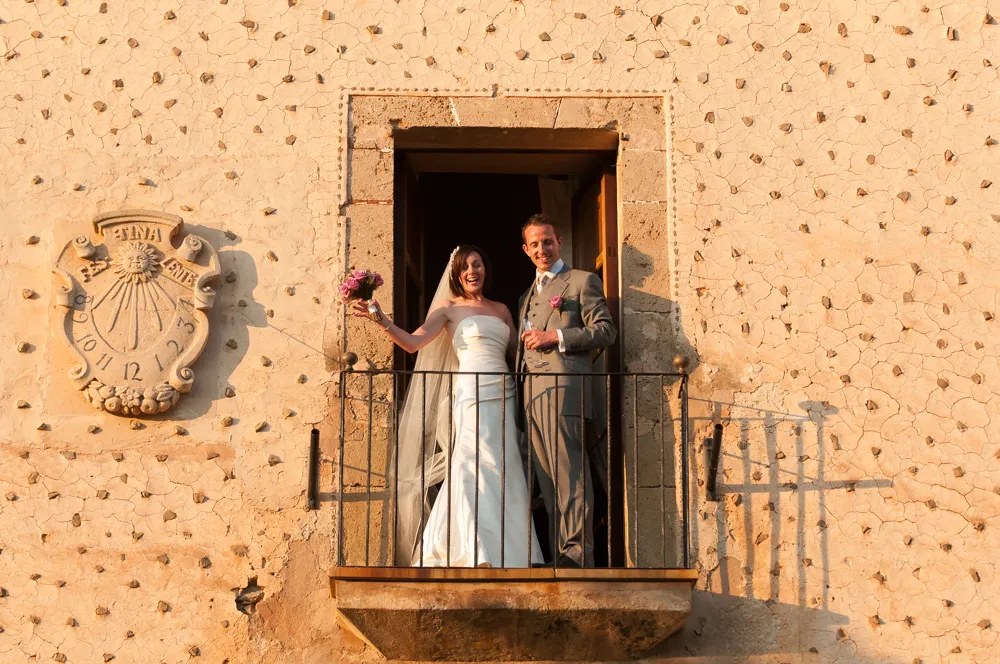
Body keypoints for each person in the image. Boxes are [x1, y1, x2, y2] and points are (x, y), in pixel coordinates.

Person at [352, 245, 542, 568]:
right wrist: (381, 320)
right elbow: (413, 343)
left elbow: (519, 357)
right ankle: (472, 547)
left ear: (486, 269)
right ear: (456, 274)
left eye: (477, 264)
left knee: (505, 463)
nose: (472, 271)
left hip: (504, 391)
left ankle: (512, 552)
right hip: (471, 394)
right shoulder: (448, 309)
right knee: (472, 462)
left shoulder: (502, 310)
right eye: (466, 266)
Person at [516, 213, 616, 568]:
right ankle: (560, 555)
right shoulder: (525, 297)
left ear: (559, 241)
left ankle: (577, 557)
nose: (542, 249)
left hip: (566, 391)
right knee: (548, 481)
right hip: (532, 396)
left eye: (548, 241)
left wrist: (555, 336)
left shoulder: (581, 281)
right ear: (526, 250)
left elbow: (605, 331)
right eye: (535, 244)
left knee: (570, 475)